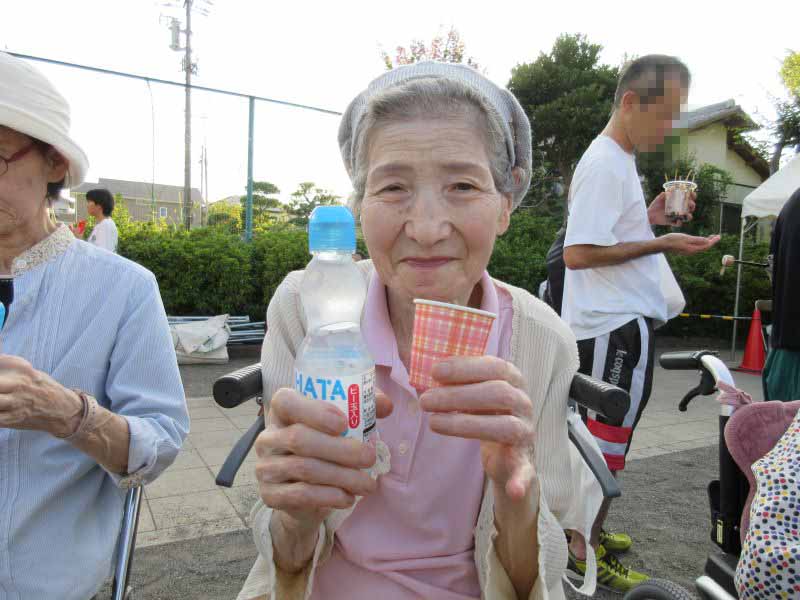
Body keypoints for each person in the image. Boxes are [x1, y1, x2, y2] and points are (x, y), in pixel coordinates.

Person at [237, 62, 603, 600]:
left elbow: (536, 578)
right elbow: (284, 557)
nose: (427, 229)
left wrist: (515, 490)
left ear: (505, 204)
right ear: (359, 206)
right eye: (392, 187)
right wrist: (296, 512)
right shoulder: (304, 307)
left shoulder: (540, 339)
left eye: (462, 185)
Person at [0, 52, 189, 599]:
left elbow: (162, 438)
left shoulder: (122, 288)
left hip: (46, 583)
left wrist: (69, 414)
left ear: (55, 164)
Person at [561, 54, 721, 591]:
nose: (672, 127)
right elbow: (578, 253)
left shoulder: (619, 159)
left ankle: (585, 534)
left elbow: (606, 234)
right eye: (667, 113)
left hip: (614, 322)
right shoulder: (605, 161)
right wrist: (663, 241)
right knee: (603, 443)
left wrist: (649, 217)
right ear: (630, 102)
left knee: (607, 440)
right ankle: (579, 552)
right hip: (610, 324)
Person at [762, 186, 800, 401]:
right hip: (793, 354)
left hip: (784, 354)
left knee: (781, 432)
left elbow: (772, 267)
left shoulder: (791, 204)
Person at [71, 187, 119, 252]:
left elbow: (101, 256)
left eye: (89, 202)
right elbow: (93, 252)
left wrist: (79, 239)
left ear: (99, 205)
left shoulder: (106, 226)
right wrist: (79, 238)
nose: (87, 205)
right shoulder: (102, 225)